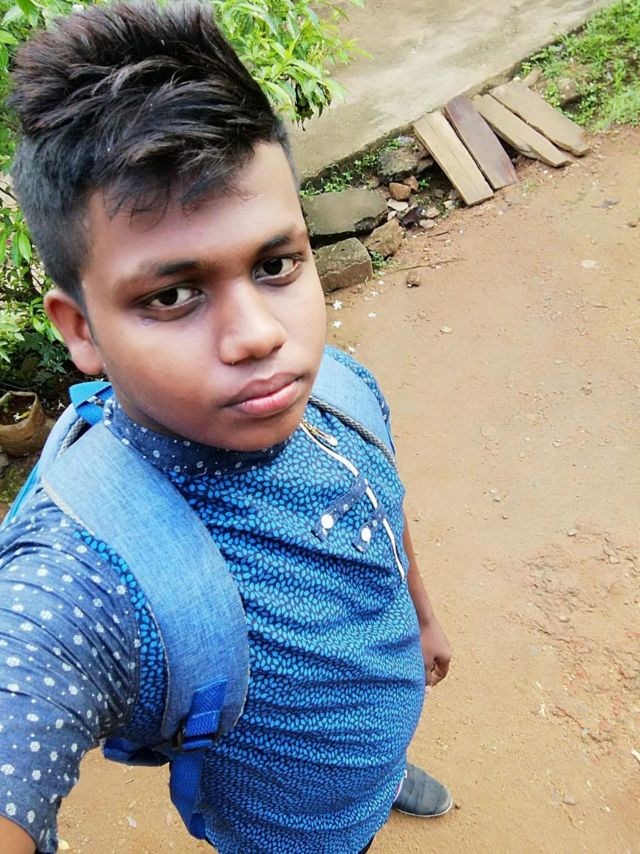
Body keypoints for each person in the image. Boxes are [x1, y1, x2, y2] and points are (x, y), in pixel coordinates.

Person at [0, 3, 452, 852]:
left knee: (376, 748)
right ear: (81, 329)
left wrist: (421, 617)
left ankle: (383, 771)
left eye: (276, 265)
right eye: (172, 295)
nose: (258, 337)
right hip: (291, 828)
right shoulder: (84, 575)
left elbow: (382, 511)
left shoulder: (338, 387)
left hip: (377, 717)